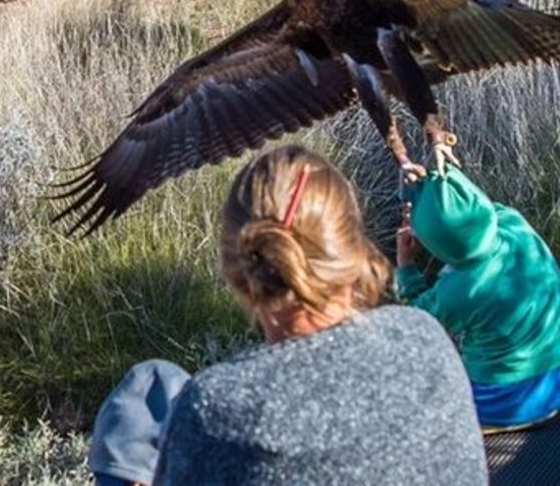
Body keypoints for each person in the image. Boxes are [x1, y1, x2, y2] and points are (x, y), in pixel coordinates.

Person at [88, 145, 488, 486]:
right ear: (355, 249)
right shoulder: (424, 339)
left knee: (149, 393)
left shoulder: (216, 410)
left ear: (235, 272)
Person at [396, 164, 560, 434]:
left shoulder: (460, 289)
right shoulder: (514, 223)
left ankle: (495, 422)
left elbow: (416, 322)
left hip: (499, 404)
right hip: (555, 388)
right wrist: (434, 189)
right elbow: (471, 209)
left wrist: (406, 264)